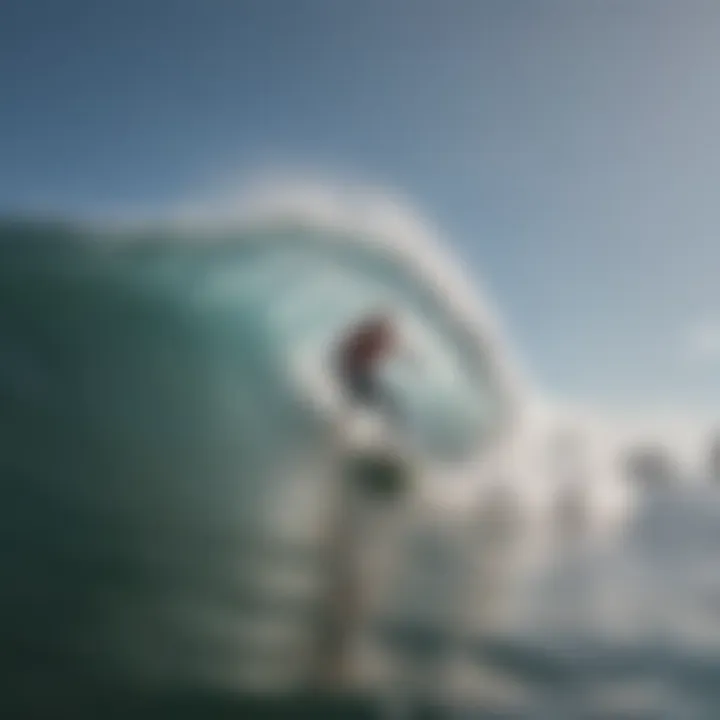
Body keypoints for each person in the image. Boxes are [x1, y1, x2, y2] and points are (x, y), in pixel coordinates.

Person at [334, 312, 398, 415]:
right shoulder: (364, 341)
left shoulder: (367, 340)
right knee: (382, 402)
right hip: (354, 376)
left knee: (386, 401)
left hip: (359, 375)